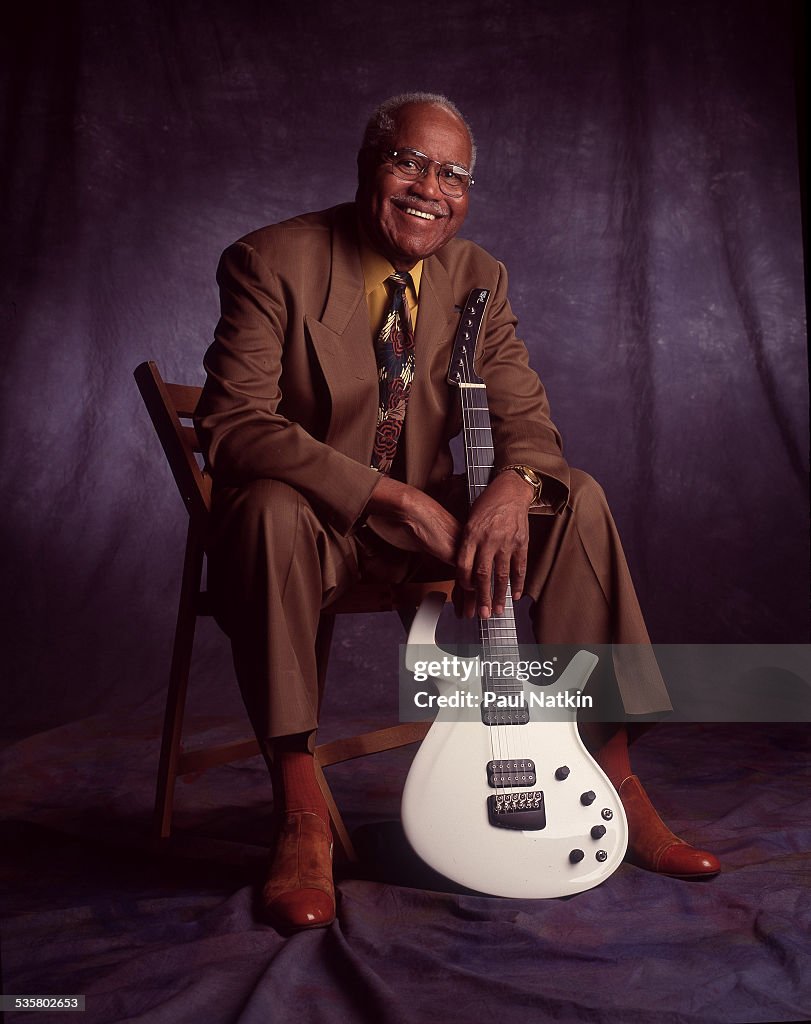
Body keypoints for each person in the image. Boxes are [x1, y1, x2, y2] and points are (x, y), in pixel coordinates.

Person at [195, 92, 719, 933]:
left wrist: (515, 485)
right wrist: (389, 497)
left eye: (454, 173)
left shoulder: (478, 276)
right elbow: (234, 423)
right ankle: (298, 809)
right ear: (371, 167)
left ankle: (613, 775)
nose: (429, 188)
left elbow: (527, 420)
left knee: (572, 493)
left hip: (450, 534)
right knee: (262, 510)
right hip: (322, 531)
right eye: (410, 162)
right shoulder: (271, 261)